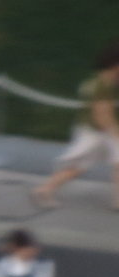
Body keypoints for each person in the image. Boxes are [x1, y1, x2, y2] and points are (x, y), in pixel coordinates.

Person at [34, 42, 119, 211]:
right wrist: (116, 134)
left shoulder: (106, 83)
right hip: (95, 132)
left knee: (101, 165)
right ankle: (43, 190)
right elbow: (102, 116)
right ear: (115, 64)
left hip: (99, 131)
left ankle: (117, 202)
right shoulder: (100, 86)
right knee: (78, 167)